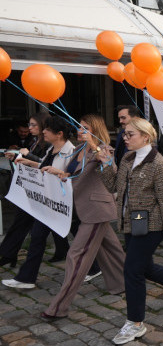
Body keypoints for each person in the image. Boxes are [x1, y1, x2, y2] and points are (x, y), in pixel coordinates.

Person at [98, 117, 163, 345]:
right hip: (131, 223)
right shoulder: (128, 158)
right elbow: (113, 187)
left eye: (130, 134)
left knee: (132, 270)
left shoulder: (159, 164)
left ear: (146, 137)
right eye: (124, 134)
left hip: (152, 226)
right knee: (144, 266)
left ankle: (135, 323)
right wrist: (107, 164)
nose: (125, 138)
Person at [40, 114, 126, 319]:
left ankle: (58, 308)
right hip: (84, 208)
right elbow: (73, 175)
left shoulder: (104, 149)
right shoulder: (78, 149)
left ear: (94, 131)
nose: (80, 131)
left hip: (96, 210)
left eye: (85, 128)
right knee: (111, 251)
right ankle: (127, 282)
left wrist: (95, 147)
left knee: (75, 256)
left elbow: (112, 171)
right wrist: (57, 172)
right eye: (80, 127)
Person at [2, 116, 76, 289]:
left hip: (63, 206)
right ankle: (26, 278)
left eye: (47, 129)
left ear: (59, 134)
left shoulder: (71, 152)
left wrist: (59, 173)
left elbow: (73, 177)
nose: (43, 131)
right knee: (37, 237)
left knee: (82, 236)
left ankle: (96, 267)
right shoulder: (51, 149)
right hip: (48, 203)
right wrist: (27, 162)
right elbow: (43, 166)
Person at [0, 112, 53, 268]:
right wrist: (16, 157)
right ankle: (9, 254)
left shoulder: (48, 143)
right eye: (29, 124)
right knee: (21, 222)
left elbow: (45, 164)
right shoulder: (35, 141)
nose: (30, 128)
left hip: (42, 191)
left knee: (38, 230)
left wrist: (27, 155)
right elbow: (29, 162)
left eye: (33, 125)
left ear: (43, 126)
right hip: (32, 189)